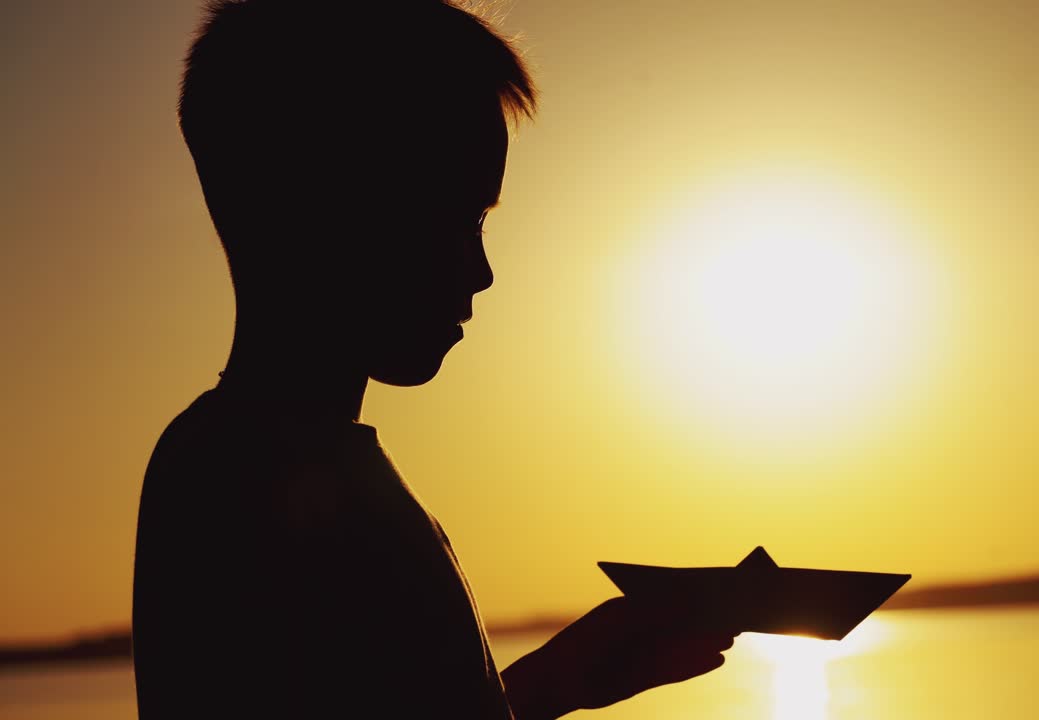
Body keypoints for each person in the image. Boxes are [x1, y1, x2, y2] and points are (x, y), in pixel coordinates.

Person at [131, 1, 737, 717]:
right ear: (326, 206)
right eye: (455, 216)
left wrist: (553, 684)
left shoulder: (214, 460)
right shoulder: (265, 491)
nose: (480, 271)